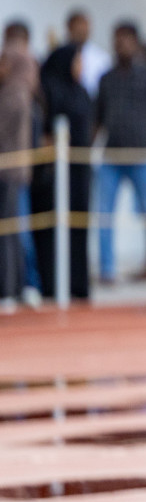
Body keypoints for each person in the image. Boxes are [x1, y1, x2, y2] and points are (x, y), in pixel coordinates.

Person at [94, 22, 146, 284]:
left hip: (142, 155)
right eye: (117, 40)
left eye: (125, 40)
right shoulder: (107, 78)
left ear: (136, 43)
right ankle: (107, 269)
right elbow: (98, 117)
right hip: (112, 156)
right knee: (104, 214)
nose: (120, 45)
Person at [35, 12, 96, 301]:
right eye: (76, 60)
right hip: (53, 175)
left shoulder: (80, 90)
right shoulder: (49, 90)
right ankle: (51, 284)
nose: (81, 66)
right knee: (51, 229)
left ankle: (77, 284)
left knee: (77, 227)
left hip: (79, 173)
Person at [0, 21, 40, 310]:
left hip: (9, 171)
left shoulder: (13, 96)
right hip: (17, 171)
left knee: (12, 232)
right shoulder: (24, 93)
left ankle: (12, 288)